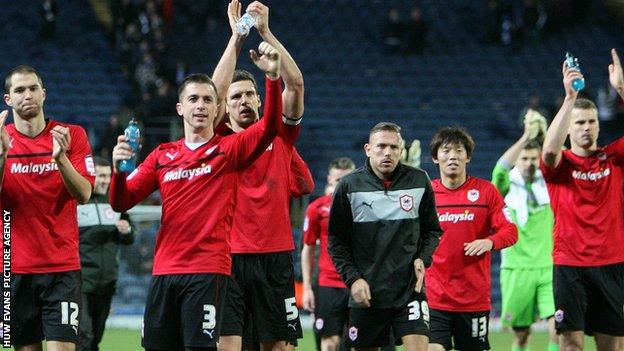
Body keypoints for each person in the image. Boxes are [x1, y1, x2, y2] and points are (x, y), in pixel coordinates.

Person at [109, 8, 284, 348]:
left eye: (208, 99)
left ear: (216, 107)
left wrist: (273, 79)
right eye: (193, 99)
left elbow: (271, 127)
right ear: (180, 109)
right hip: (164, 271)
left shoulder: (228, 150)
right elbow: (121, 201)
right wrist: (118, 173)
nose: (201, 105)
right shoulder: (162, 155)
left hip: (208, 271)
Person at [213, 2, 314, 351]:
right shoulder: (218, 142)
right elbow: (212, 92)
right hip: (229, 258)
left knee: (280, 346)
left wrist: (266, 33)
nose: (244, 101)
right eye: (235, 96)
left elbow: (296, 85)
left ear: (259, 99)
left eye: (250, 95)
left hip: (275, 257)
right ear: (224, 107)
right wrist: (237, 38)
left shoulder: (279, 135)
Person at [0, 65, 95, 351]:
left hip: (61, 269)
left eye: (32, 88)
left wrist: (60, 158)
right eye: (19, 90)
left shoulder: (71, 135)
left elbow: (84, 194)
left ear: (44, 93)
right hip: (12, 269)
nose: (27, 95)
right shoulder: (1, 141)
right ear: (8, 99)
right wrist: (2, 155)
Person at [328, 122, 443, 351]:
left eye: (394, 147)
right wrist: (353, 279)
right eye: (381, 146)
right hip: (368, 292)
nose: (388, 152)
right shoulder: (349, 186)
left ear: (401, 150)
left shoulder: (419, 181)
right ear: (368, 149)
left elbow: (432, 230)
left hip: (409, 291)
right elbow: (336, 242)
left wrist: (423, 257)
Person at [540, 49, 624, 351]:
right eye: (579, 123)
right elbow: (549, 150)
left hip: (612, 263)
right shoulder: (560, 166)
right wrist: (569, 100)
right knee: (570, 345)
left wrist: (622, 89)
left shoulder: (614, 157)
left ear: (599, 125)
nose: (586, 127)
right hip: (569, 265)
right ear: (568, 128)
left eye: (591, 121)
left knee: (611, 347)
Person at [426, 126, 518, 351]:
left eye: (459, 150)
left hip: (473, 300)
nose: (452, 156)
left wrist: (490, 242)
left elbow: (511, 231)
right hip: (435, 298)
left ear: (468, 156)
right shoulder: (426, 194)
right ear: (435, 158)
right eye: (445, 150)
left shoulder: (487, 192)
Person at [491, 118, 558, 351]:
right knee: (521, 335)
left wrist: (547, 133)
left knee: (557, 329)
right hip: (516, 268)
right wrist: (525, 136)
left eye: (534, 159)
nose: (530, 163)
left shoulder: (550, 182)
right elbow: (499, 169)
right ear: (517, 160)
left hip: (549, 266)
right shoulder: (506, 186)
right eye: (525, 158)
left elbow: (565, 157)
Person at [77, 156, 135, 351]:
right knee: (83, 335)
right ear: (90, 176)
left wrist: (127, 230)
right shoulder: (77, 201)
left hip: (107, 283)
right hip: (81, 282)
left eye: (108, 176)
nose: (105, 180)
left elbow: (130, 237)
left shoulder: (115, 201)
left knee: (95, 339)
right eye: (100, 176)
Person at [301, 157, 356, 351]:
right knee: (329, 343)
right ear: (329, 179)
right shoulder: (316, 209)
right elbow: (307, 249)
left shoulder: (365, 208)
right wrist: (307, 287)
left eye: (346, 179)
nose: (341, 184)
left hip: (359, 284)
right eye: (337, 179)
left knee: (358, 342)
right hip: (328, 284)